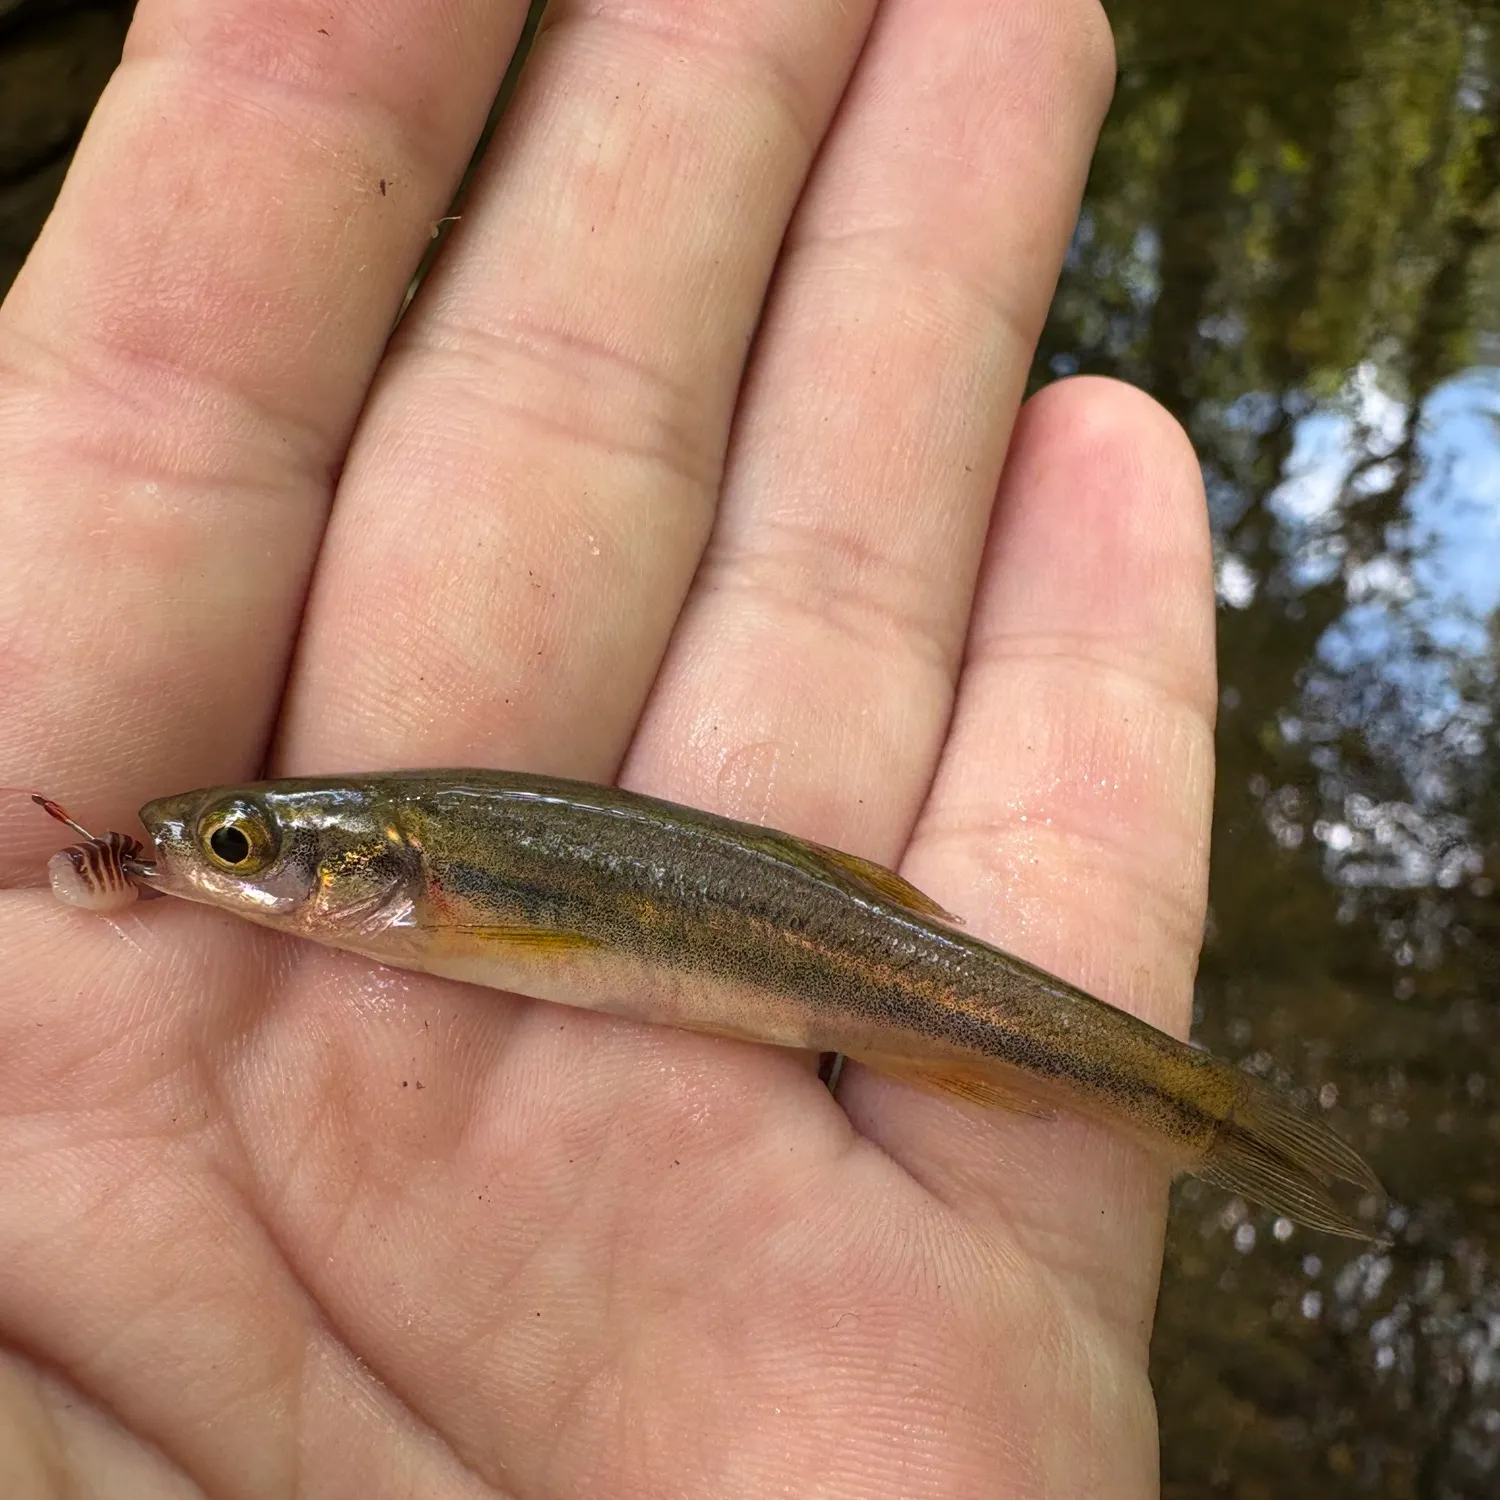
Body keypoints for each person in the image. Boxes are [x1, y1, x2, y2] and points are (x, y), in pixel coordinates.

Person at [0, 0, 1213, 1493]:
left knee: (1013, 1038)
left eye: (241, 845)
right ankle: (1183, 1109)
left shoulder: (436, 878)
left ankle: (1178, 1102)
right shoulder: (405, 877)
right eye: (223, 847)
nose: (204, 858)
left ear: (372, 868)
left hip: (841, 963)